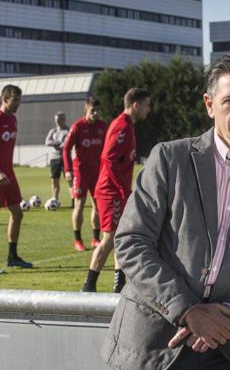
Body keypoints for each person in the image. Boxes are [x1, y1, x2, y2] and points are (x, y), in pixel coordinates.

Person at [102, 55, 230, 370]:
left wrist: (229, 316)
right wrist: (188, 311)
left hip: (229, 349)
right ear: (209, 104)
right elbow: (131, 242)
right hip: (156, 344)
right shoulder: (169, 158)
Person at [81, 88, 151, 293]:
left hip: (116, 191)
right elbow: (108, 159)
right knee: (109, 239)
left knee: (120, 237)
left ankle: (119, 285)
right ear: (135, 105)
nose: (149, 109)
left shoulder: (127, 125)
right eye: (147, 105)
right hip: (110, 192)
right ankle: (88, 286)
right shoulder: (122, 126)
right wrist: (121, 189)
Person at [63, 98, 107, 251]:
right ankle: (78, 240)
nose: (95, 113)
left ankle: (96, 238)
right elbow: (66, 149)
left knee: (97, 205)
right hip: (81, 172)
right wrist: (68, 169)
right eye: (92, 111)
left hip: (98, 172)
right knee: (79, 205)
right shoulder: (78, 127)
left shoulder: (103, 126)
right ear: (86, 110)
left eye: (97, 111)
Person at [0, 85, 32, 271]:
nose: (18, 104)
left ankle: (12, 256)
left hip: (8, 174)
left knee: (17, 213)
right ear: (4, 99)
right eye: (15, 101)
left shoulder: (12, 119)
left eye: (19, 100)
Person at [45, 111, 71, 202]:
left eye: (60, 119)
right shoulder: (53, 131)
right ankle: (55, 199)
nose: (58, 121)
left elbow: (67, 143)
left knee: (69, 179)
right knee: (54, 180)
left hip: (65, 157)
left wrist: (61, 144)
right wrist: (58, 142)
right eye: (56, 120)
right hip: (54, 158)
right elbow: (47, 142)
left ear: (64, 120)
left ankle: (73, 200)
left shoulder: (68, 130)